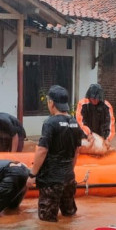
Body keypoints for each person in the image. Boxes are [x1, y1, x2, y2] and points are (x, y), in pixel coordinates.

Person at [29, 85, 82, 222]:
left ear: (51, 103)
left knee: (47, 222)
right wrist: (68, 170)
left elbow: (42, 150)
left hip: (51, 181)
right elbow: (77, 151)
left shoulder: (50, 123)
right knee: (69, 216)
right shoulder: (75, 124)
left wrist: (32, 174)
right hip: (69, 179)